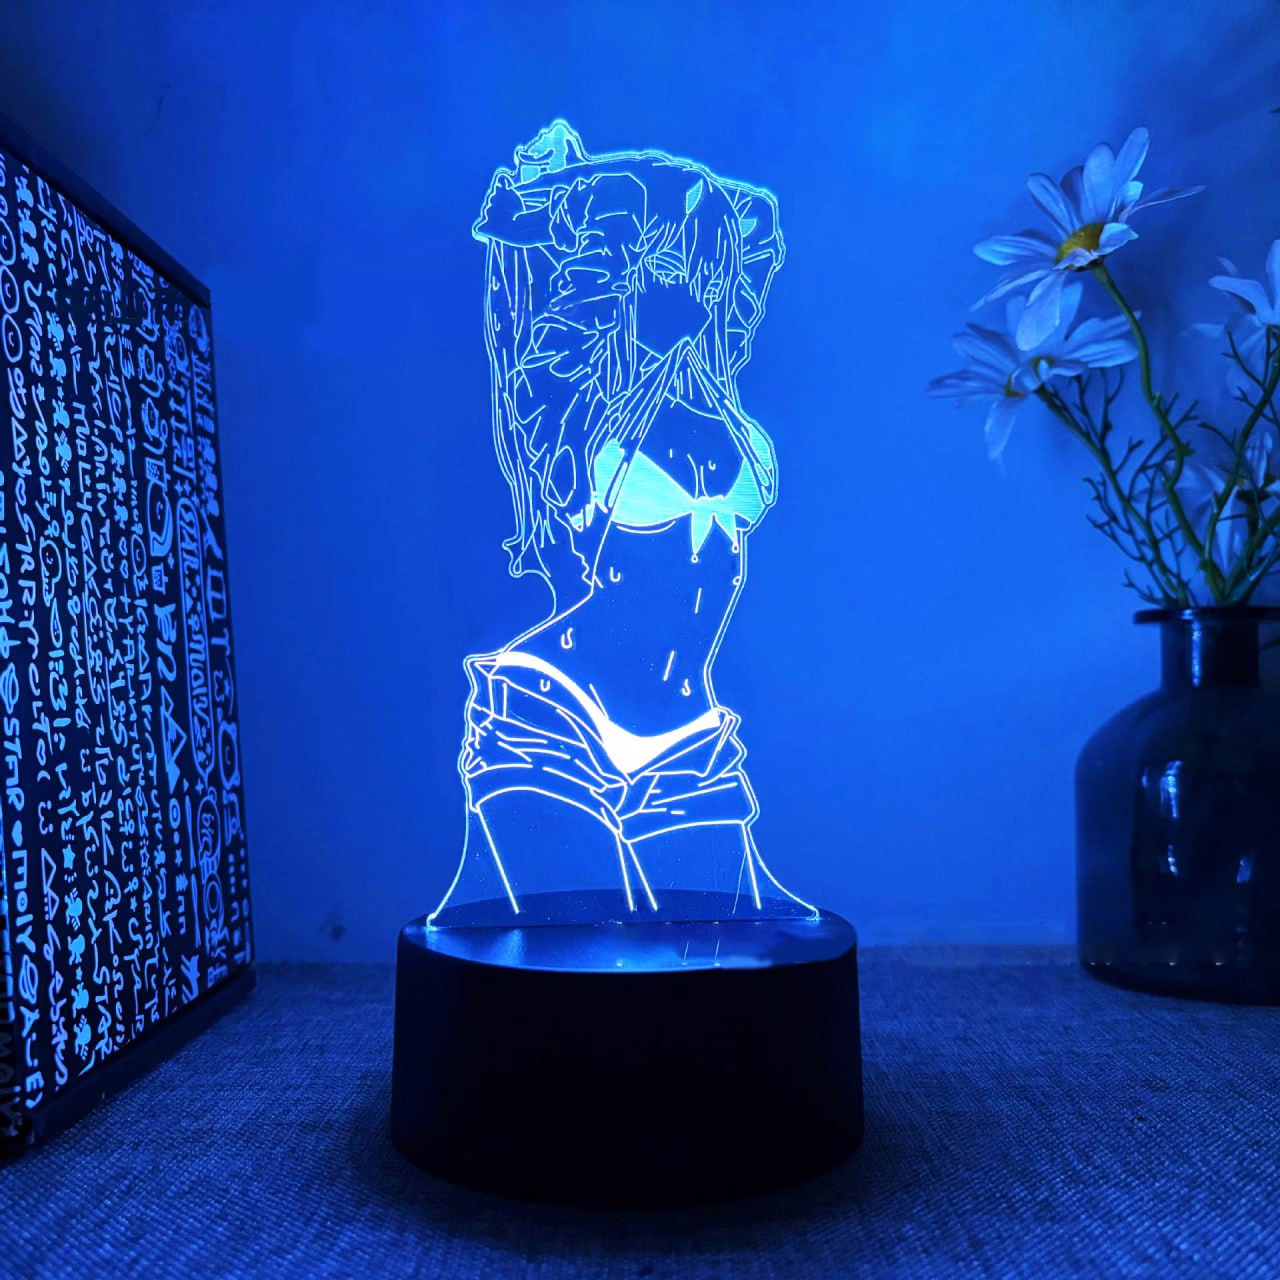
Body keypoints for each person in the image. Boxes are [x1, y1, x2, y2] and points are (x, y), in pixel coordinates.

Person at [430, 122, 814, 926]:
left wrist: (675, 212)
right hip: (557, 713)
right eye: (659, 266)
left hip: (685, 733)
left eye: (685, 268)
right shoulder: (577, 415)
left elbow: (752, 243)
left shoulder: (711, 388)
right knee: (585, 940)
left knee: (720, 941)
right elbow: (563, 352)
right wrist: (606, 218)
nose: (678, 288)